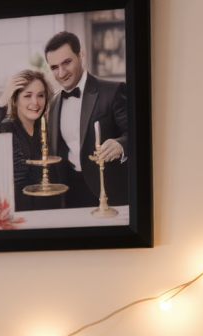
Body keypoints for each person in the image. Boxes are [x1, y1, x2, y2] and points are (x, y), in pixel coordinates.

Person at [43, 30, 128, 208]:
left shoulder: (113, 91)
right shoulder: (53, 103)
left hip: (111, 193)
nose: (61, 73)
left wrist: (121, 145)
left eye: (67, 63)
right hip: (69, 195)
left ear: (81, 55)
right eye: (54, 67)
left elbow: (136, 133)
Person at [0, 69, 59, 211]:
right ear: (15, 100)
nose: (35, 102)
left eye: (40, 95)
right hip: (18, 212)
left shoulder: (45, 129)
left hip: (47, 210)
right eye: (27, 96)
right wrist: (3, 99)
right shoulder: (7, 128)